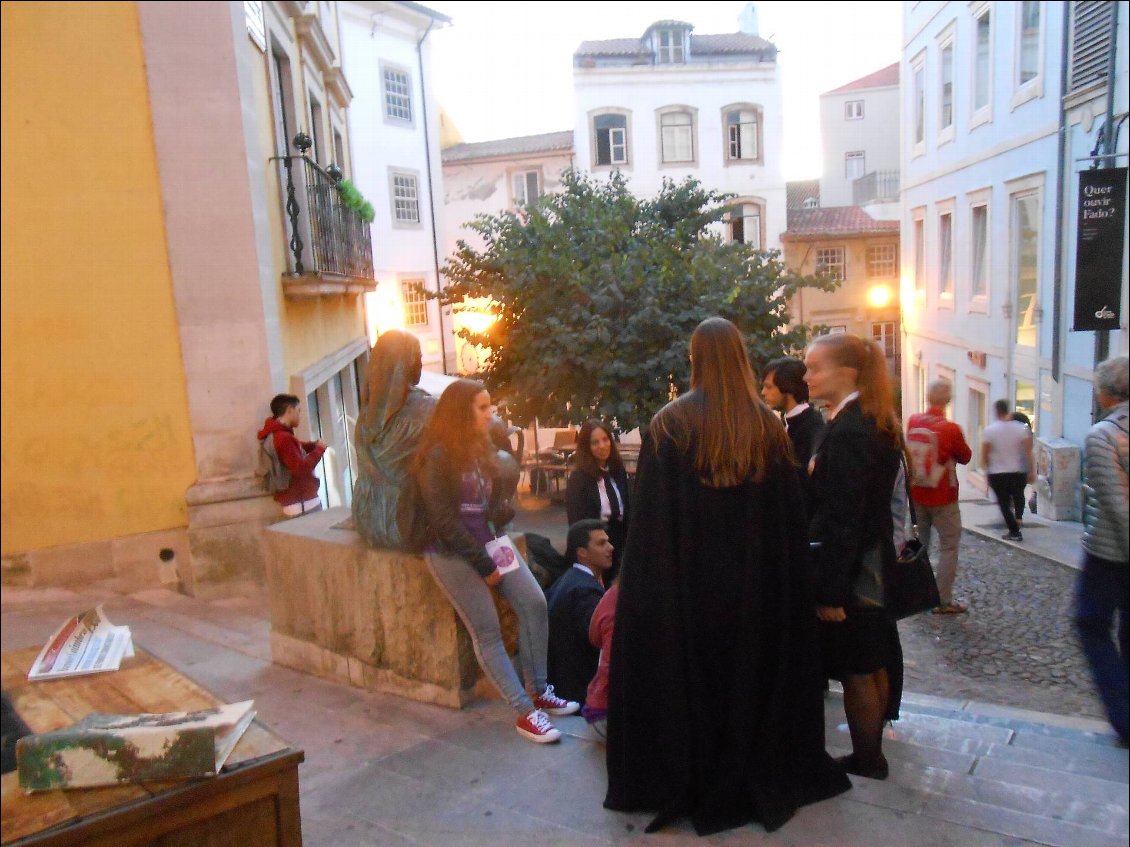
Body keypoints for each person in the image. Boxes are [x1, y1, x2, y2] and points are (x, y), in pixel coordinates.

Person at [605, 318, 851, 836]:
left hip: (687, 590)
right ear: (741, 358)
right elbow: (787, 521)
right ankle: (744, 769)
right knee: (746, 683)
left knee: (695, 687)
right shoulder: (765, 426)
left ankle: (694, 774)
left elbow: (649, 527)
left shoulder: (670, 424)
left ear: (695, 358)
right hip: (753, 590)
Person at [413, 379, 579, 744]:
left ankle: (539, 690)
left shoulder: (477, 447)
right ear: (461, 411)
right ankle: (524, 712)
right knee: (487, 631)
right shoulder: (437, 455)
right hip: (451, 552)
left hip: (490, 541)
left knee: (535, 604)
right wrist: (483, 564)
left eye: (491, 406)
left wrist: (499, 510)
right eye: (483, 407)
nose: (492, 414)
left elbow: (483, 505)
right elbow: (443, 519)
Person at [804, 332, 904, 782]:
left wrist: (830, 592)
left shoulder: (849, 430)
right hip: (873, 560)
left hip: (858, 567)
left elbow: (844, 517)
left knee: (858, 669)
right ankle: (872, 753)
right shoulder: (869, 418)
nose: (807, 376)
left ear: (845, 373)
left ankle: (868, 759)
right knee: (874, 660)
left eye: (814, 368)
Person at [1074, 356, 1129, 746]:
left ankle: (1124, 717)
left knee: (1089, 623)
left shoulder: (1102, 436)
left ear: (1106, 393)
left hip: (1110, 555)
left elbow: (1116, 504)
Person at [351, 330, 436, 550]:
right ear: (406, 364)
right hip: (403, 524)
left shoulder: (366, 417)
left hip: (366, 519)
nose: (421, 363)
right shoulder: (427, 411)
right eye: (418, 357)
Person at [906, 380, 973, 615]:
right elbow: (965, 456)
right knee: (948, 546)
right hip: (944, 495)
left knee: (920, 546)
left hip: (917, 493)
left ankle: (915, 594)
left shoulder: (913, 421)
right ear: (947, 400)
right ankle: (943, 600)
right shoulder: (950, 429)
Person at [546, 519, 613, 704]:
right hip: (578, 693)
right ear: (582, 553)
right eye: (601, 543)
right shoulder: (585, 591)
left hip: (562, 686)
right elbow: (602, 642)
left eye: (608, 541)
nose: (611, 547)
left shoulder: (569, 580)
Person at [565, 419, 630, 583]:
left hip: (620, 545)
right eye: (595, 442)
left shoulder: (618, 471)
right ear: (587, 447)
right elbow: (576, 523)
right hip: (594, 547)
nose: (602, 446)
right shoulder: (579, 478)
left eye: (605, 439)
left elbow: (627, 510)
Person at [258, 394, 327, 517]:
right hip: (303, 503)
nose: (299, 415)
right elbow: (301, 468)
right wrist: (319, 449)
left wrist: (313, 445)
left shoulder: (276, 434)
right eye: (298, 410)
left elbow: (295, 448)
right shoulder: (283, 438)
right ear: (289, 410)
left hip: (297, 502)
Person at [981, 400, 1033, 541]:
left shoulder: (989, 430)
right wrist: (1032, 470)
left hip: (998, 473)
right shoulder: (1022, 428)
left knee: (1004, 503)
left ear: (997, 411)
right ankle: (1019, 518)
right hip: (1018, 471)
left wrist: (986, 470)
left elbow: (985, 454)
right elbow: (1029, 451)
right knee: (1019, 494)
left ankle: (1014, 531)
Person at [762, 356, 825, 471]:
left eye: (769, 387)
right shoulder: (786, 423)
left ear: (788, 387)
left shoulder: (811, 427)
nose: (763, 392)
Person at [583, 579, 619, 741]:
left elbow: (594, 637)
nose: (610, 550)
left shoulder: (612, 595)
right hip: (614, 712)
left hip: (597, 708)